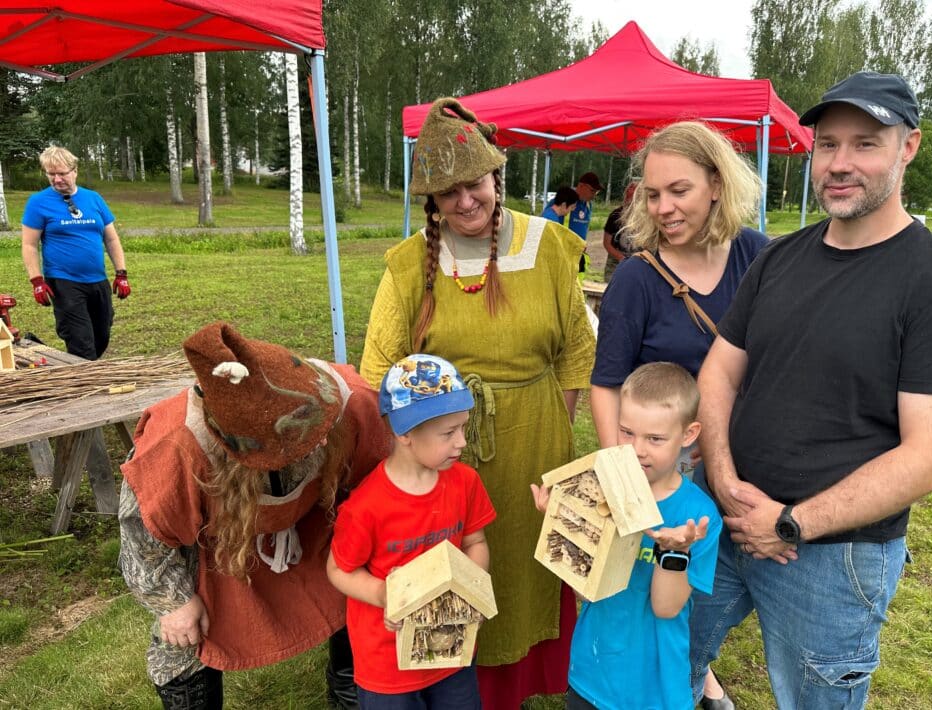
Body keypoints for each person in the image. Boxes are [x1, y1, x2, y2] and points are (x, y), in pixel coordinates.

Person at [690, 71, 932, 709]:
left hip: (830, 560)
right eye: (827, 145)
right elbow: (719, 370)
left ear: (908, 147)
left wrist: (791, 524)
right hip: (722, 518)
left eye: (865, 144)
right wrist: (722, 477)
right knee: (663, 660)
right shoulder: (779, 257)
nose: (840, 163)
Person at [360, 97, 595, 710]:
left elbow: (575, 352)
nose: (465, 201)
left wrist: (555, 428)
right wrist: (409, 466)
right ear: (430, 200)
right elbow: (379, 371)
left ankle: (518, 681)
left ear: (497, 176)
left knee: (520, 566)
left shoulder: (548, 245)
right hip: (442, 451)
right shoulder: (411, 265)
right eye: (446, 192)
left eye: (475, 184)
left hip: (534, 443)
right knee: (453, 565)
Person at [118, 321, 392, 710]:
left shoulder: (350, 400)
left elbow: (380, 485)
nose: (323, 442)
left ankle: (354, 692)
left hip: (318, 518)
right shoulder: (177, 445)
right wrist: (173, 601)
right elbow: (145, 535)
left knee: (358, 586)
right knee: (182, 636)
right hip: (221, 536)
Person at [588, 120, 766, 710]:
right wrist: (624, 475)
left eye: (679, 191)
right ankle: (690, 682)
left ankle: (699, 672)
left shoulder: (758, 257)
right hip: (675, 472)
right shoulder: (637, 279)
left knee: (729, 581)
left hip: (749, 467)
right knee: (668, 589)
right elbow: (606, 384)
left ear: (717, 183)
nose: (663, 207)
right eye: (652, 193)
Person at [531, 362, 721, 710]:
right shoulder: (603, 489)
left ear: (689, 434)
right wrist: (565, 519)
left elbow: (665, 608)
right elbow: (584, 587)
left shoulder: (697, 518)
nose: (636, 448)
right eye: (626, 432)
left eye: (655, 439)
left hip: (653, 689)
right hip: (591, 672)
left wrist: (673, 553)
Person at [327, 353, 496, 708]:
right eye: (449, 433)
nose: (462, 442)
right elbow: (339, 569)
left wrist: (470, 586)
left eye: (463, 427)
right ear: (404, 433)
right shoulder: (365, 508)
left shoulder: (465, 482)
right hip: (387, 663)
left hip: (453, 648)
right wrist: (382, 594)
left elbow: (475, 541)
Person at [21, 146, 131, 361]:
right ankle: (86, 386)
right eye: (51, 174)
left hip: (98, 279)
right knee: (81, 341)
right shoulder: (38, 202)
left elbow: (111, 238)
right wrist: (36, 280)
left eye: (62, 173)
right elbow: (29, 245)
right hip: (64, 282)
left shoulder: (93, 198)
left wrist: (121, 273)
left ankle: (68, 364)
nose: (57, 179)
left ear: (75, 171)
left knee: (102, 334)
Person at [601, 181, 638, 281]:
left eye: (632, 197)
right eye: (627, 195)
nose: (628, 200)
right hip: (615, 264)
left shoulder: (646, 218)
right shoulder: (615, 215)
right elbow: (606, 243)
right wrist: (622, 258)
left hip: (638, 264)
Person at [566, 171, 603, 241]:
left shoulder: (588, 205)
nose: (594, 195)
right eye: (592, 191)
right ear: (581, 186)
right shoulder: (563, 201)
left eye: (596, 192)